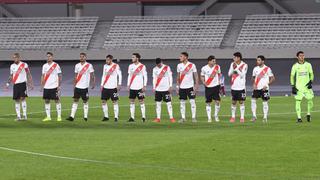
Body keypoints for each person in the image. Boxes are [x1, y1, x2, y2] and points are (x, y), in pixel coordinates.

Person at [66, 53, 95, 122]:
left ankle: (85, 116)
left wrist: (93, 83)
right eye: (80, 57)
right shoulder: (77, 65)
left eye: (83, 57)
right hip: (78, 86)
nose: (81, 58)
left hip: (85, 87)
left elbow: (92, 75)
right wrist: (74, 85)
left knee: (85, 101)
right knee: (75, 100)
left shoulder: (89, 65)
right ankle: (72, 116)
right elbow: (76, 76)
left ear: (85, 57)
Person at [5, 53, 34, 121]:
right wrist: (7, 84)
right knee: (16, 100)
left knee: (23, 98)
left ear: (18, 58)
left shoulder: (24, 64)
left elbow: (28, 74)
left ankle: (24, 115)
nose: (14, 59)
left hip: (23, 84)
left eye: (15, 57)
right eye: (13, 58)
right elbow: (11, 75)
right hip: (16, 84)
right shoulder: (12, 66)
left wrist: (31, 83)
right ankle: (18, 116)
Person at [290, 51, 314, 123]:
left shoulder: (308, 65)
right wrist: (293, 86)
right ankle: (299, 118)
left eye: (303, 55)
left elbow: (311, 74)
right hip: (298, 88)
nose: (302, 57)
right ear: (297, 57)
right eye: (300, 56)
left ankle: (308, 114)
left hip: (306, 87)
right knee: (298, 101)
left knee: (310, 100)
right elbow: (292, 76)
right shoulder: (295, 66)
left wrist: (311, 81)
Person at [251, 55, 275, 123]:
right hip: (256, 88)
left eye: (259, 60)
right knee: (253, 100)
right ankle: (254, 116)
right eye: (257, 60)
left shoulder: (267, 69)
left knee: (265, 102)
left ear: (263, 61)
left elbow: (273, 78)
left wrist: (267, 85)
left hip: (265, 88)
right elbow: (253, 77)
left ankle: (265, 117)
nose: (257, 61)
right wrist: (254, 84)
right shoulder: (255, 69)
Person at [176, 52, 199, 123]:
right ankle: (183, 118)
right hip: (182, 87)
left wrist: (196, 85)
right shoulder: (179, 65)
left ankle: (193, 117)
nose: (180, 57)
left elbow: (196, 75)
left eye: (181, 56)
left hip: (190, 87)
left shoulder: (192, 65)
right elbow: (178, 77)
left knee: (192, 101)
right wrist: (177, 86)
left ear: (185, 57)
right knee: (182, 102)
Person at [41, 52, 62, 122]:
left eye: (49, 56)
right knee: (47, 101)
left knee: (57, 100)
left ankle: (59, 116)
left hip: (54, 86)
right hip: (46, 86)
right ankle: (48, 116)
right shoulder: (44, 66)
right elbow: (43, 76)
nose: (48, 58)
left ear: (52, 57)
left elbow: (60, 75)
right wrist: (42, 85)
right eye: (47, 56)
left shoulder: (56, 65)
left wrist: (59, 85)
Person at [152, 58, 175, 123]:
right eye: (157, 64)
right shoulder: (154, 69)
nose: (158, 66)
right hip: (158, 89)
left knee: (169, 103)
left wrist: (170, 86)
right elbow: (154, 78)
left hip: (166, 89)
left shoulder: (167, 67)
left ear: (161, 62)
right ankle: (158, 118)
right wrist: (154, 87)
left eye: (159, 64)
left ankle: (171, 118)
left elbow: (170, 77)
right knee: (158, 104)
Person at [100, 55, 122, 122]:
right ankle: (106, 116)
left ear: (111, 60)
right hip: (105, 87)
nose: (107, 61)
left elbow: (120, 75)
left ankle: (116, 117)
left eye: (108, 60)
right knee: (103, 101)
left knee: (115, 101)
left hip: (113, 87)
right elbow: (103, 75)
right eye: (106, 60)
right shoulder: (105, 66)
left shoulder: (116, 66)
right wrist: (101, 84)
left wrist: (119, 84)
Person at [127, 53, 147, 122]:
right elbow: (129, 76)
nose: (132, 58)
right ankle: (132, 117)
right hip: (132, 87)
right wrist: (128, 85)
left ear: (137, 58)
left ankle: (143, 117)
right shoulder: (130, 66)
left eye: (133, 57)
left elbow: (145, 76)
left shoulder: (142, 66)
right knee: (131, 101)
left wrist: (144, 85)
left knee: (141, 101)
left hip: (139, 87)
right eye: (132, 57)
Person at [200, 55, 221, 122]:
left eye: (215, 61)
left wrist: (219, 82)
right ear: (209, 61)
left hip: (216, 86)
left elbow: (220, 75)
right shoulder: (204, 68)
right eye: (213, 61)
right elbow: (202, 76)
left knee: (217, 101)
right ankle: (209, 118)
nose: (214, 62)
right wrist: (203, 82)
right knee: (208, 102)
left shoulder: (217, 67)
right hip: (208, 87)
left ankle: (216, 116)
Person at [228, 52, 248, 123]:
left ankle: (242, 117)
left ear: (238, 58)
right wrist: (233, 69)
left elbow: (242, 75)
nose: (233, 59)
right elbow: (229, 74)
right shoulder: (232, 64)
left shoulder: (244, 65)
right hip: (234, 87)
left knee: (241, 102)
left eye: (235, 57)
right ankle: (233, 117)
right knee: (233, 102)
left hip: (241, 87)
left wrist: (236, 68)